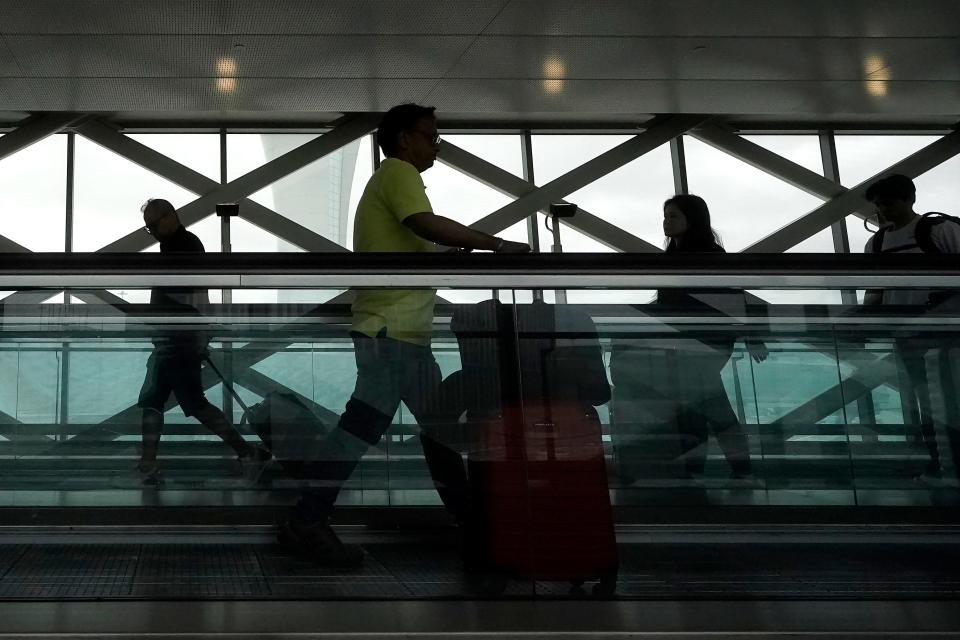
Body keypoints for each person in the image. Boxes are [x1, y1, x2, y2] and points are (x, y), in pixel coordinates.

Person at [278, 104, 530, 567]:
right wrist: (494, 244)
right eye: (429, 136)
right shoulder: (397, 172)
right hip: (390, 333)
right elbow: (424, 224)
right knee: (364, 428)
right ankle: (306, 519)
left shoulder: (394, 180)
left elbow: (419, 241)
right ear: (402, 139)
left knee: (436, 433)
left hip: (406, 336)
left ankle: (474, 523)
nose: (436, 145)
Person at [612, 195, 765, 484]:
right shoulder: (699, 254)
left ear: (691, 220)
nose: (666, 222)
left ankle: (719, 469)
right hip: (703, 341)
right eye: (666, 215)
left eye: (674, 216)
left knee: (707, 404)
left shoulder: (701, 256)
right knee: (700, 403)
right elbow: (733, 297)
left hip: (700, 342)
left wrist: (752, 335)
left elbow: (731, 297)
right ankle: (725, 469)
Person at [136, 198, 269, 486]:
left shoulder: (181, 247)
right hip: (178, 337)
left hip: (175, 338)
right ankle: (148, 464)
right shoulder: (183, 244)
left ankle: (246, 452)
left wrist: (176, 328)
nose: (154, 232)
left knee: (170, 401)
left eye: (155, 225)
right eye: (150, 229)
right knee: (167, 401)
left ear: (172, 217)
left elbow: (186, 295)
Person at [862, 174, 960, 482]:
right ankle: (947, 465)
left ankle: (942, 465)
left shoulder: (879, 243)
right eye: (879, 205)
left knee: (931, 401)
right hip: (936, 335)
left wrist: (866, 320)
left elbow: (875, 291)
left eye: (887, 203)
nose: (882, 210)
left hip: (920, 336)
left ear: (908, 199)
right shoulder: (940, 232)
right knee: (940, 402)